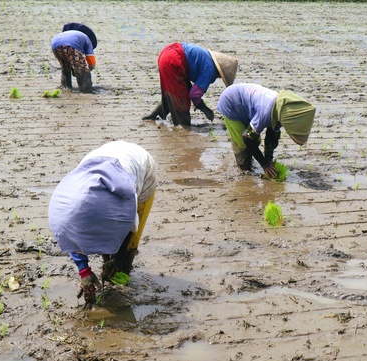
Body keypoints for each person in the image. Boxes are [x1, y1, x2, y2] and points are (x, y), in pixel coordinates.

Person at [48, 141, 157, 308]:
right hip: (98, 163)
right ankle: (110, 266)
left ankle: (121, 273)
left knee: (125, 248)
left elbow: (129, 228)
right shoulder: (66, 209)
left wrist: (119, 259)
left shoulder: (124, 205)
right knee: (98, 239)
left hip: (140, 165)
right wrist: (84, 270)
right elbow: (73, 238)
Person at [216, 83, 316, 177]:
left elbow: (272, 134)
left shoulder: (281, 110)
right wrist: (264, 164)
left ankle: (250, 161)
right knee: (243, 145)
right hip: (231, 102)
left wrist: (268, 159)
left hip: (246, 105)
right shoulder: (266, 112)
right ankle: (244, 171)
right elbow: (247, 137)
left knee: (256, 141)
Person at [142, 42, 238, 126]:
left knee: (175, 92)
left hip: (166, 54)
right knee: (181, 100)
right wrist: (204, 108)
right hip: (173, 62)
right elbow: (194, 94)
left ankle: (156, 114)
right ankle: (182, 125)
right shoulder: (210, 70)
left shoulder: (207, 58)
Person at [51, 23, 97, 93]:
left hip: (55, 44)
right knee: (82, 68)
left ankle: (66, 86)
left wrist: (74, 69)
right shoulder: (88, 40)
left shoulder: (73, 34)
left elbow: (71, 59)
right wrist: (87, 70)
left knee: (65, 66)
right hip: (71, 46)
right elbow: (91, 61)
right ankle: (86, 90)